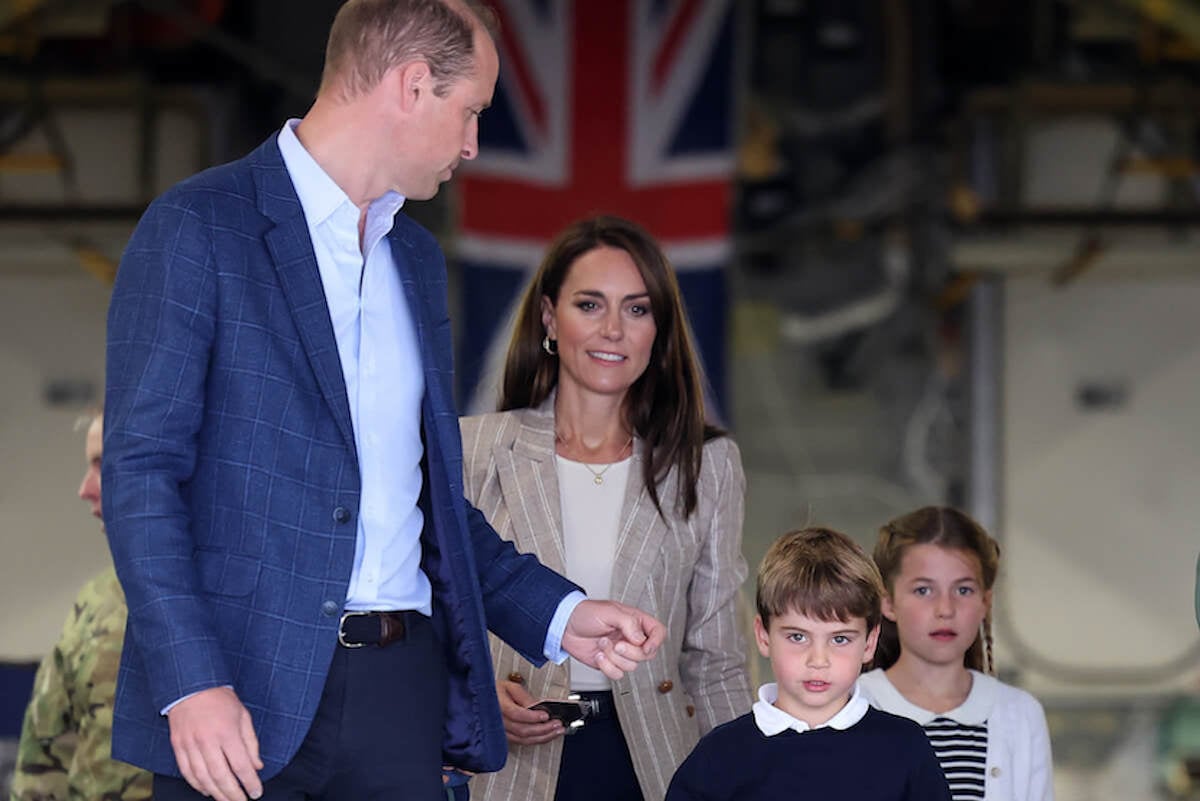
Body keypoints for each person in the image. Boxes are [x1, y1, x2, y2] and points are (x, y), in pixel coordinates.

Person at [101, 3, 666, 800]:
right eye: (469, 111)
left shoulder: (415, 257)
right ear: (410, 86)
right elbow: (142, 477)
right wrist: (191, 682)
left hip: (401, 694)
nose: (472, 144)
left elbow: (428, 498)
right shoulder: (196, 228)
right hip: (238, 693)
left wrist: (559, 614)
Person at [459, 215, 751, 801]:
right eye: (590, 305)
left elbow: (717, 660)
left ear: (659, 330)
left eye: (637, 309)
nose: (613, 329)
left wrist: (748, 781)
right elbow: (430, 619)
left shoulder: (708, 462)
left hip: (657, 763)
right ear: (549, 317)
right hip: (503, 766)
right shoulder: (472, 448)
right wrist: (475, 695)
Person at [665, 527, 951, 801]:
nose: (818, 660)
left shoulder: (904, 747)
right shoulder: (719, 754)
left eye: (839, 639)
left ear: (869, 642)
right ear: (763, 636)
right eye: (798, 636)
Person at [859, 507, 1055, 801]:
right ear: (888, 602)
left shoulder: (1021, 715)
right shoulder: (853, 705)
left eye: (963, 590)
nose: (945, 610)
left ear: (985, 602)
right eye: (924, 590)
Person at [9, 411, 153, 801]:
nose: (85, 488)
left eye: (101, 465)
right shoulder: (97, 599)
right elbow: (45, 751)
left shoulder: (245, 602)